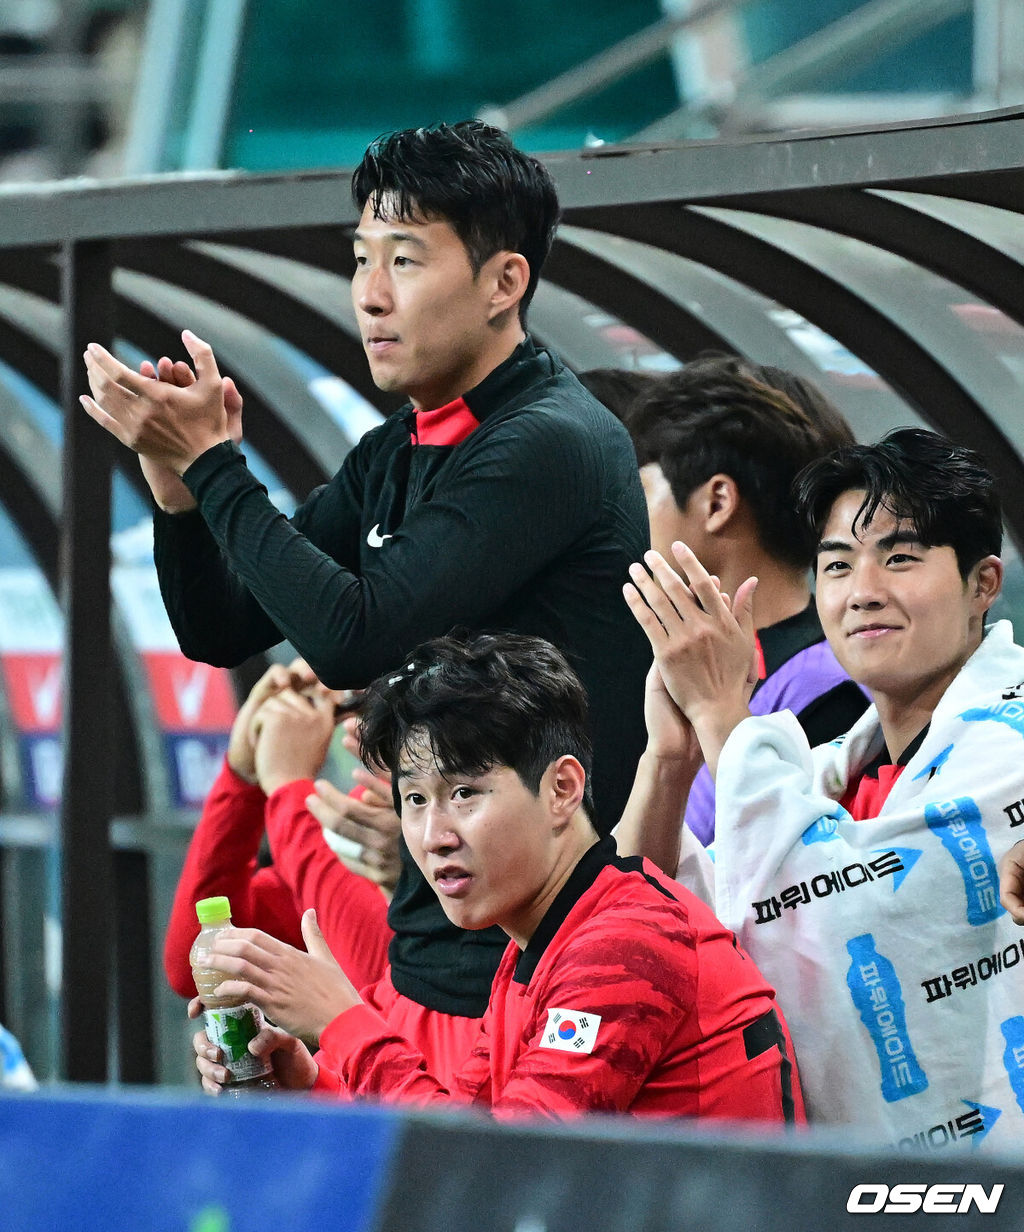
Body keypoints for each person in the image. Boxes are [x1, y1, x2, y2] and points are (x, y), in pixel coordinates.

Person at [80, 121, 651, 1050]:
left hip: (550, 962)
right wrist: (181, 494)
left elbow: (355, 634)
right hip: (429, 946)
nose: (371, 297)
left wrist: (221, 470)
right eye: (361, 261)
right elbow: (220, 626)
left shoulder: (549, 440)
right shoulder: (398, 447)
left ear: (505, 283)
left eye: (407, 261)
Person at [191, 631, 803, 1126]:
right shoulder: (535, 945)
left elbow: (493, 1174)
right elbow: (470, 1122)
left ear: (563, 788)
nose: (435, 835)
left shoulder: (625, 942)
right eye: (415, 800)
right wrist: (311, 1082)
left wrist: (342, 1020)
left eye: (464, 793)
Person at [625, 428, 1024, 1151]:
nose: (862, 594)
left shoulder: (1013, 738)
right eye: (836, 566)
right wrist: (670, 757)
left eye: (900, 559)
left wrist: (722, 712)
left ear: (983, 585)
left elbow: (845, 916)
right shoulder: (833, 767)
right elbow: (640, 928)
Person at [615, 360, 867, 872]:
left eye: (640, 492)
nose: (622, 517)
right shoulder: (669, 669)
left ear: (717, 501)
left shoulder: (836, 689)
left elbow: (806, 879)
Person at [164, 658, 397, 1004]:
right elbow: (203, 965)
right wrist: (244, 781)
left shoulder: (447, 828)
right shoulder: (364, 806)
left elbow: (380, 977)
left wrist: (287, 783)